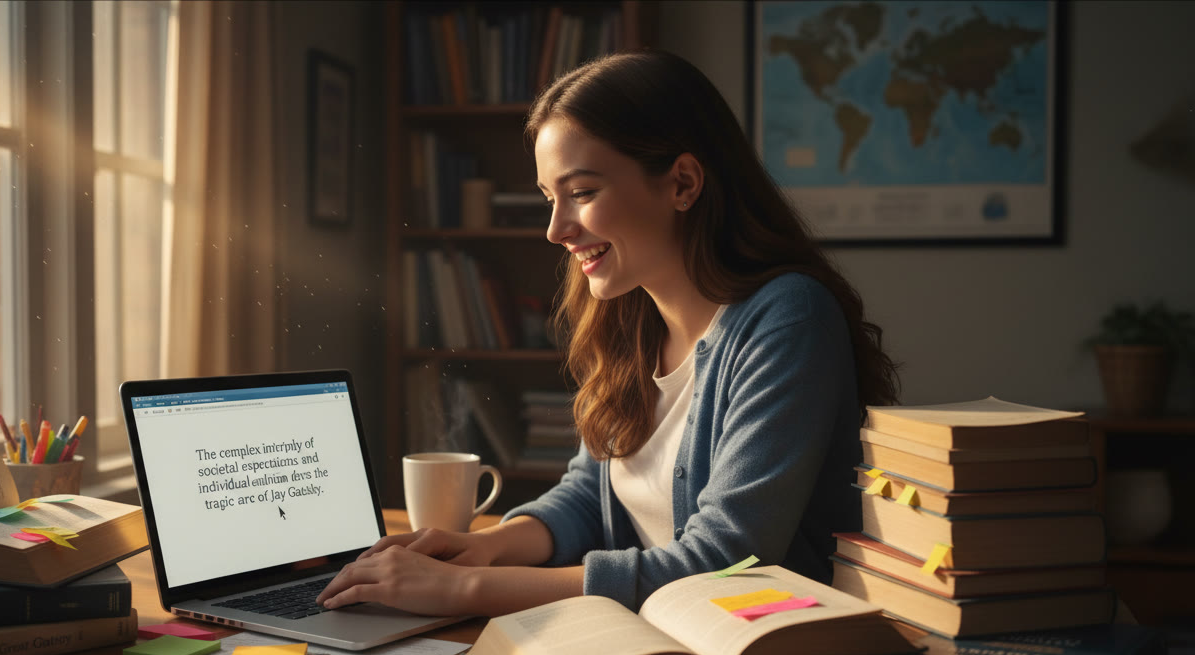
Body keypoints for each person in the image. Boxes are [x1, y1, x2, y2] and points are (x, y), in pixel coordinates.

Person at [318, 50, 899, 617]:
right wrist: (481, 548)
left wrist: (465, 588)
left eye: (582, 193)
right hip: (647, 638)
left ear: (683, 183)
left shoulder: (789, 318)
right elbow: (589, 495)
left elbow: (725, 561)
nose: (555, 230)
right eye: (550, 198)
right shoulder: (630, 319)